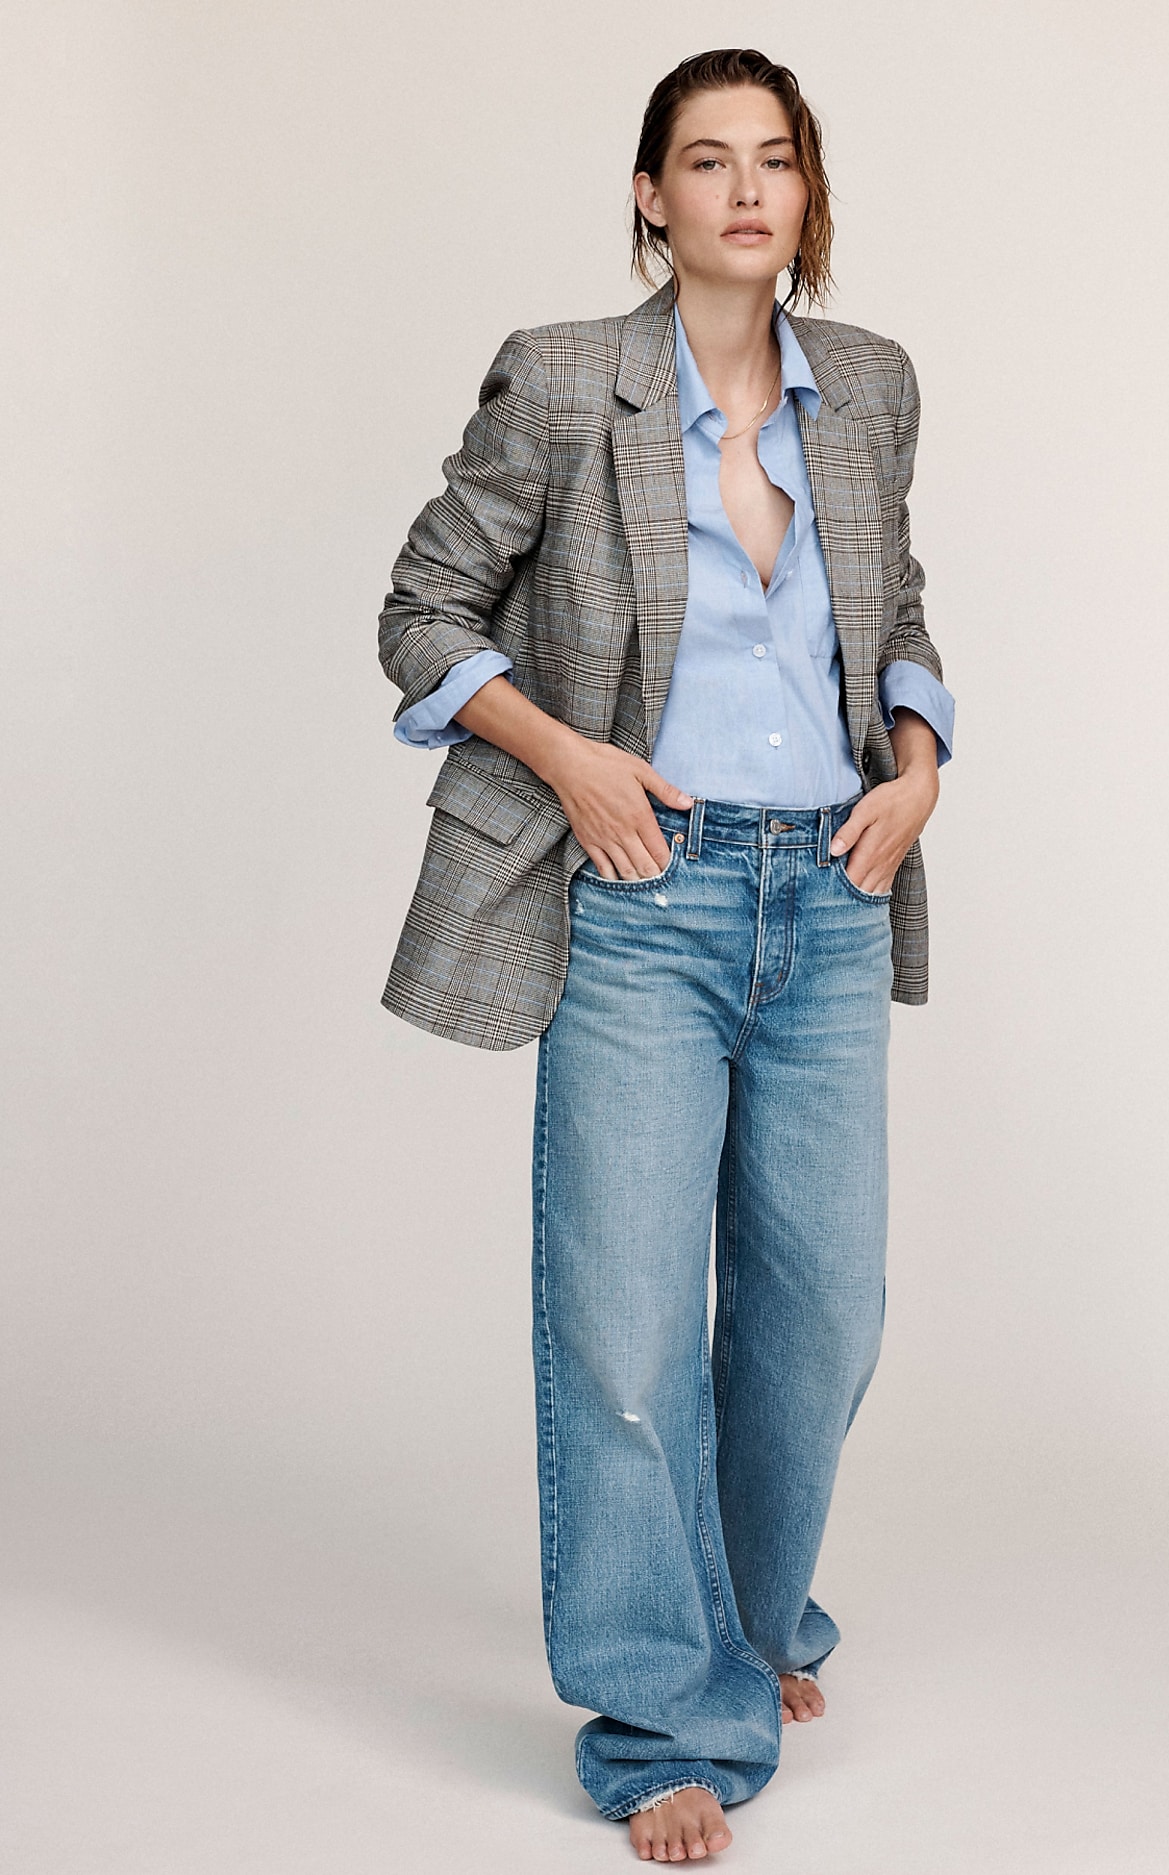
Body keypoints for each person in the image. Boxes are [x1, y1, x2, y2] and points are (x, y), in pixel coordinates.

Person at [377, 47, 954, 1863]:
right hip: (644, 892)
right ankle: (662, 1725)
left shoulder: (867, 387)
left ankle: (745, 1617)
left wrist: (923, 765)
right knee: (627, 1333)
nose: (744, 191)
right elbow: (422, 614)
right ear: (651, 197)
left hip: (832, 893)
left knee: (823, 1316)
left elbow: (902, 606)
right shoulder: (563, 381)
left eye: (774, 160)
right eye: (705, 162)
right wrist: (570, 760)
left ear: (806, 191)